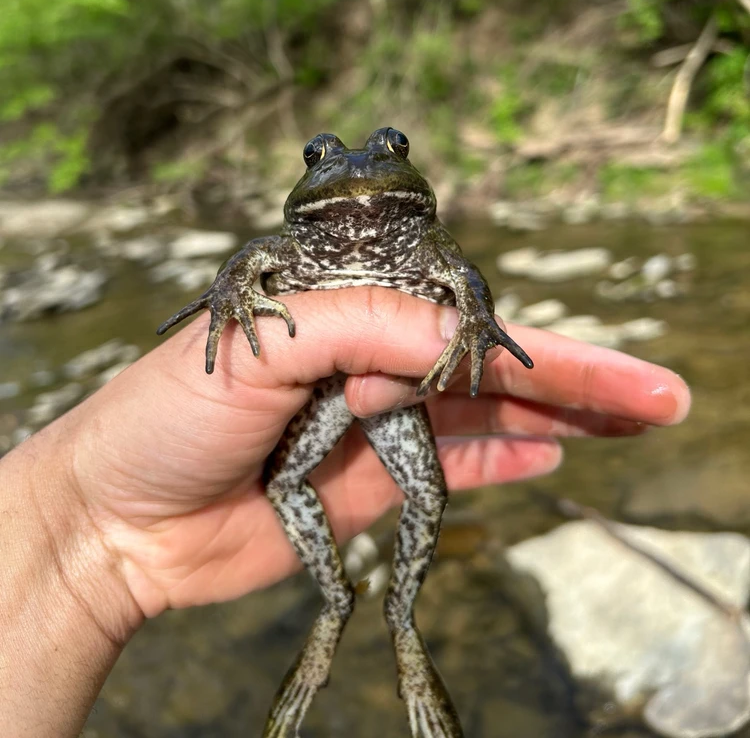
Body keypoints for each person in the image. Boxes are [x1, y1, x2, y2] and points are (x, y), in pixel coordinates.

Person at [0, 287, 690, 738]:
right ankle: (338, 606)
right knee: (296, 482)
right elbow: (253, 259)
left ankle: (401, 627)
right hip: (319, 397)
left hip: (389, 398)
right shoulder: (297, 248)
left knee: (427, 492)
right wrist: (88, 518)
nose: (357, 172)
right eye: (320, 155)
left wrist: (88, 527)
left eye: (391, 150)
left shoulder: (424, 243)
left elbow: (464, 279)